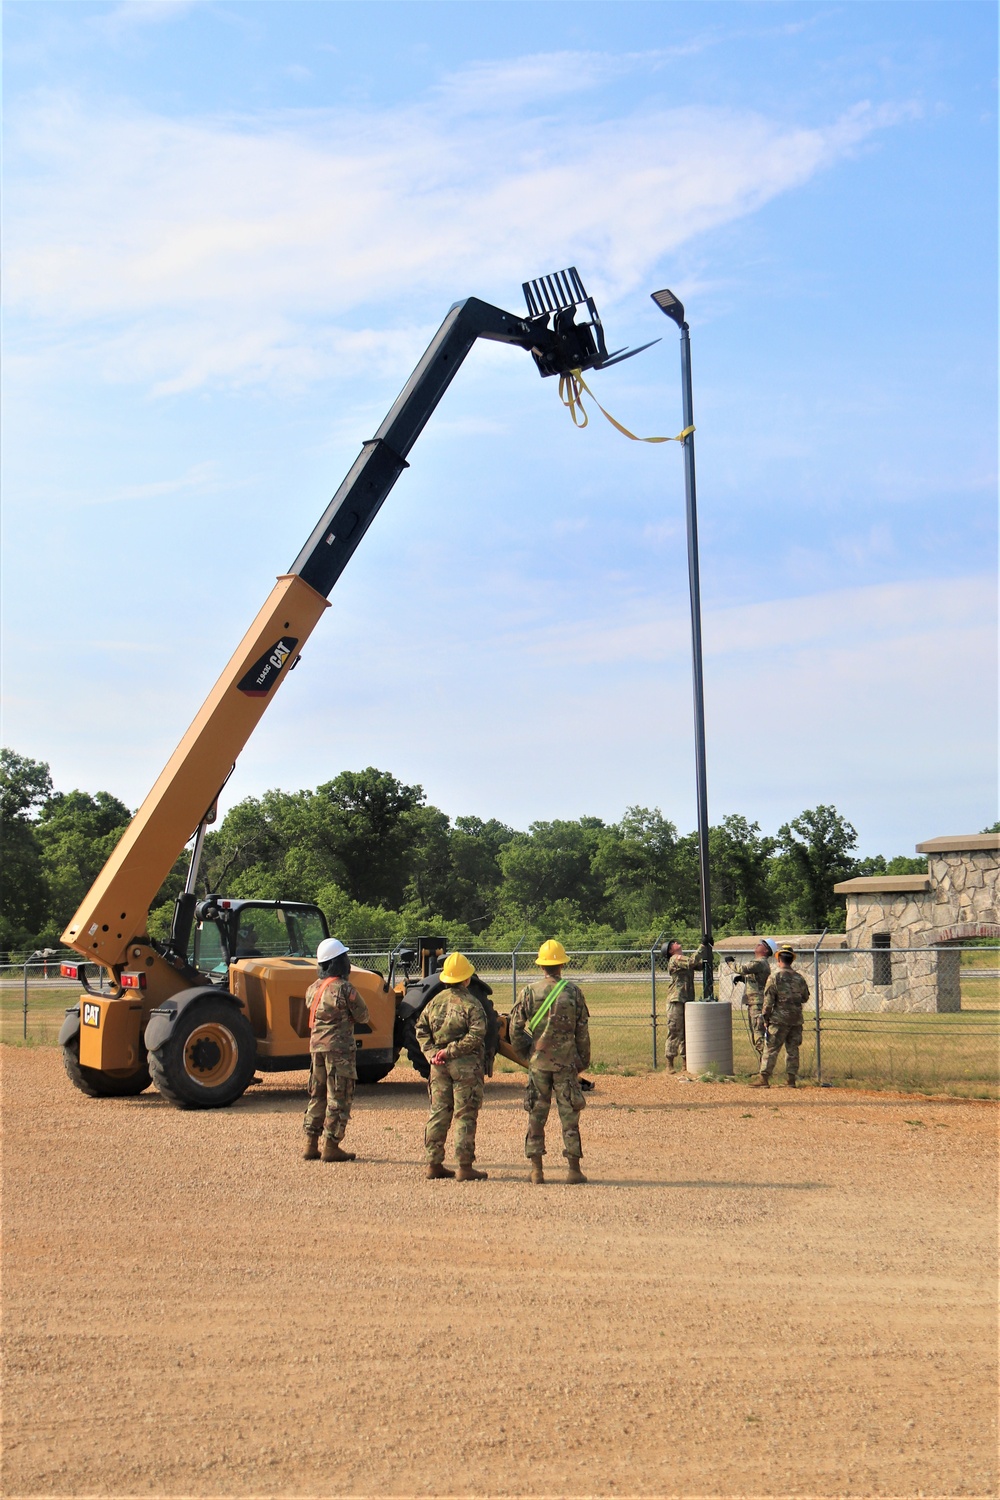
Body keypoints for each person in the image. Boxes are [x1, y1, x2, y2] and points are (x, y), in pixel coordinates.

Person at [509, 939, 591, 1185]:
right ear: (562, 965)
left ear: (541, 966)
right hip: (566, 1064)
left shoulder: (528, 992)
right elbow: (582, 1032)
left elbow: (515, 1028)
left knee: (536, 1114)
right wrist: (582, 1061)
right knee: (570, 1115)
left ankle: (537, 1170)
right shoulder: (574, 992)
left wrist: (525, 1054)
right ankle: (574, 1169)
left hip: (538, 1064)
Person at [416, 951, 488, 1182]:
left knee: (438, 1113)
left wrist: (431, 1054)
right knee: (465, 1114)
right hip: (465, 1067)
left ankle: (433, 1164)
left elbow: (421, 1029)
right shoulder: (472, 1004)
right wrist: (452, 1051)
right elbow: (477, 1034)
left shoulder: (434, 1002)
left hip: (439, 1067)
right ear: (467, 979)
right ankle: (464, 1167)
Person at [302, 937, 371, 1161]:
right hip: (338, 1050)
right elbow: (363, 1015)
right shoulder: (344, 988)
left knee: (317, 1095)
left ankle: (310, 1144)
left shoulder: (313, 988)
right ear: (339, 962)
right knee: (339, 1096)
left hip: (316, 1049)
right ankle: (331, 1146)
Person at [751, 944, 810, 1088]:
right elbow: (805, 997)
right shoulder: (799, 978)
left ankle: (764, 1078)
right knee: (792, 1050)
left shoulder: (774, 977)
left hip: (778, 1020)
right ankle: (791, 1079)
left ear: (779, 960)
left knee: (771, 1049)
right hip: (795, 1020)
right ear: (791, 960)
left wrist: (766, 1018)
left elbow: (768, 1001)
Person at [661, 936, 713, 1071]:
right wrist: (702, 945)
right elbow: (691, 962)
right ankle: (669, 1063)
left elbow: (697, 965)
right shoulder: (675, 959)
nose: (677, 943)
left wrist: (707, 958)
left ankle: (686, 1064)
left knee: (687, 1032)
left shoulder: (682, 959)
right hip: (676, 1000)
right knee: (675, 1030)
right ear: (670, 951)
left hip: (687, 999)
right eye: (673, 943)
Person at [724, 940, 774, 1056]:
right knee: (756, 1033)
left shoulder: (760, 962)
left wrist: (730, 962)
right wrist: (742, 979)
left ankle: (765, 1067)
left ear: (766, 950)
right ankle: (764, 1066)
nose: (758, 945)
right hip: (755, 1002)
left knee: (758, 1033)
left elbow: (743, 969)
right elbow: (756, 979)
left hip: (757, 1003)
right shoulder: (761, 964)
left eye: (761, 945)